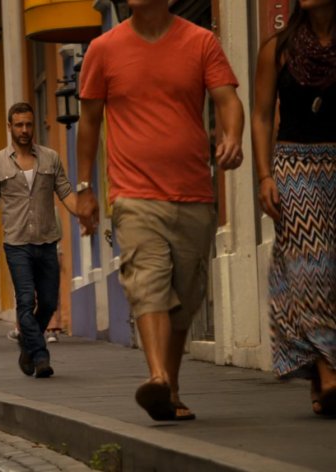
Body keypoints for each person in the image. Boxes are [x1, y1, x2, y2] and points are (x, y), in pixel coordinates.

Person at [76, 0, 244, 421]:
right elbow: (90, 122)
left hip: (193, 194)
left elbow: (227, 100)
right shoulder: (104, 48)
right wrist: (84, 189)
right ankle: (157, 377)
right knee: (147, 282)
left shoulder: (201, 41)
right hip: (133, 195)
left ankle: (169, 384)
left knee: (184, 300)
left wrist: (234, 136)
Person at [252, 0, 336, 417]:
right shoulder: (278, 49)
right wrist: (265, 175)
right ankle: (328, 369)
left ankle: (321, 378)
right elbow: (262, 115)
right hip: (295, 164)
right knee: (311, 270)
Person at [0, 102, 82, 379]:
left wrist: (82, 214)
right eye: (19, 125)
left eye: (28, 124)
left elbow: (65, 192)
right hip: (16, 243)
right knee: (25, 301)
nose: (24, 130)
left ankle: (28, 342)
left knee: (48, 302)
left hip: (47, 240)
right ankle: (40, 356)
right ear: (10, 127)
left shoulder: (50, 158)